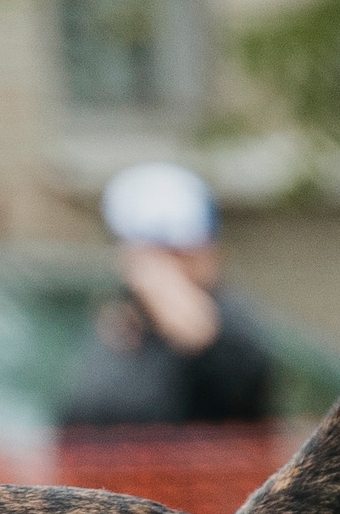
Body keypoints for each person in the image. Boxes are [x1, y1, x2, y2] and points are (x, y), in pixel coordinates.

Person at [60, 162, 275, 426]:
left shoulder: (229, 326)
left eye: (180, 254)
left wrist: (167, 292)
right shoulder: (120, 322)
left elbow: (245, 383)